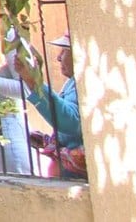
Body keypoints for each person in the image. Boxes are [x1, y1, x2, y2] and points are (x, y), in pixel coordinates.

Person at [28, 33, 85, 178]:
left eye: (65, 51)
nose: (59, 57)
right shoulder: (72, 81)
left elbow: (72, 122)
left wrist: (35, 84)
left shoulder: (82, 83)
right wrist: (47, 140)